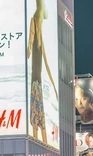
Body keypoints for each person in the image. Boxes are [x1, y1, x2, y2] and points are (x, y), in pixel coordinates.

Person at [27, 0, 58, 145]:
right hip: (36, 82)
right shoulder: (39, 37)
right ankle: (42, 143)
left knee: (36, 116)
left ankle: (40, 143)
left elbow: (30, 48)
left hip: (35, 82)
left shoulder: (35, 25)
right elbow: (30, 43)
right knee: (39, 117)